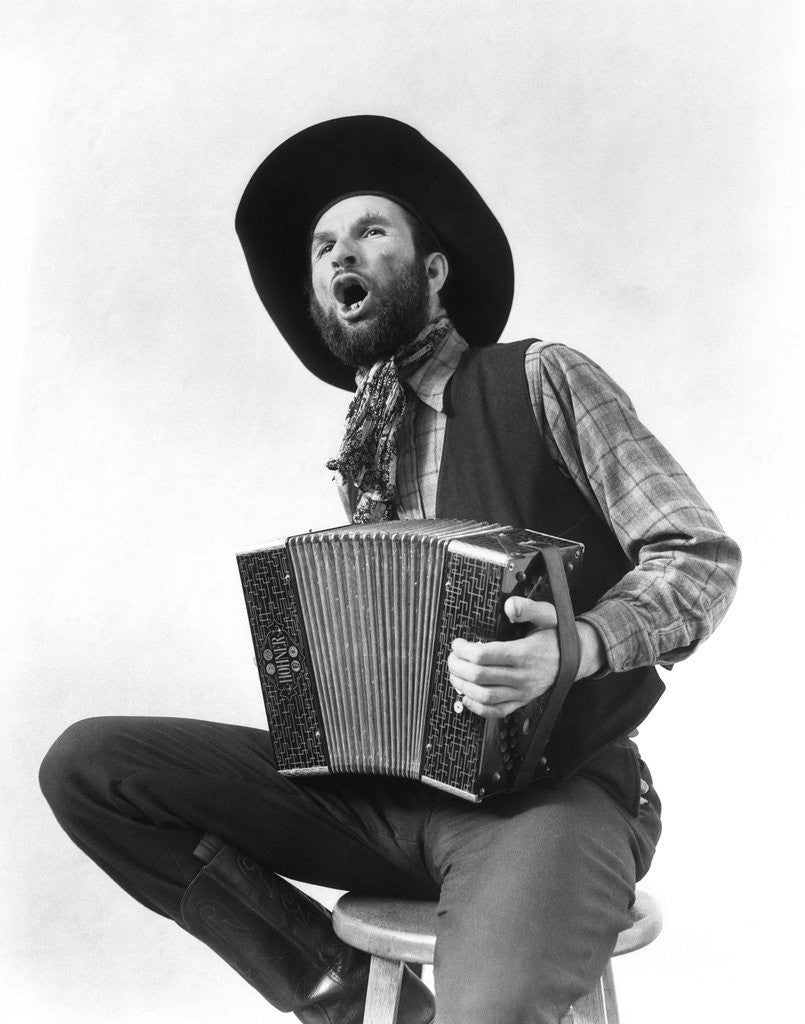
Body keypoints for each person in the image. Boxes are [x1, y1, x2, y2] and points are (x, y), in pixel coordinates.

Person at [40, 116, 740, 1024]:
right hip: (395, 802)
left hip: (557, 796)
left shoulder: (541, 377)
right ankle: (345, 995)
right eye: (323, 244)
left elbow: (698, 555)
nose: (341, 252)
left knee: (488, 1011)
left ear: (433, 270)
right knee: (93, 768)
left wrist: (574, 644)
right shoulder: (368, 452)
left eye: (370, 230)